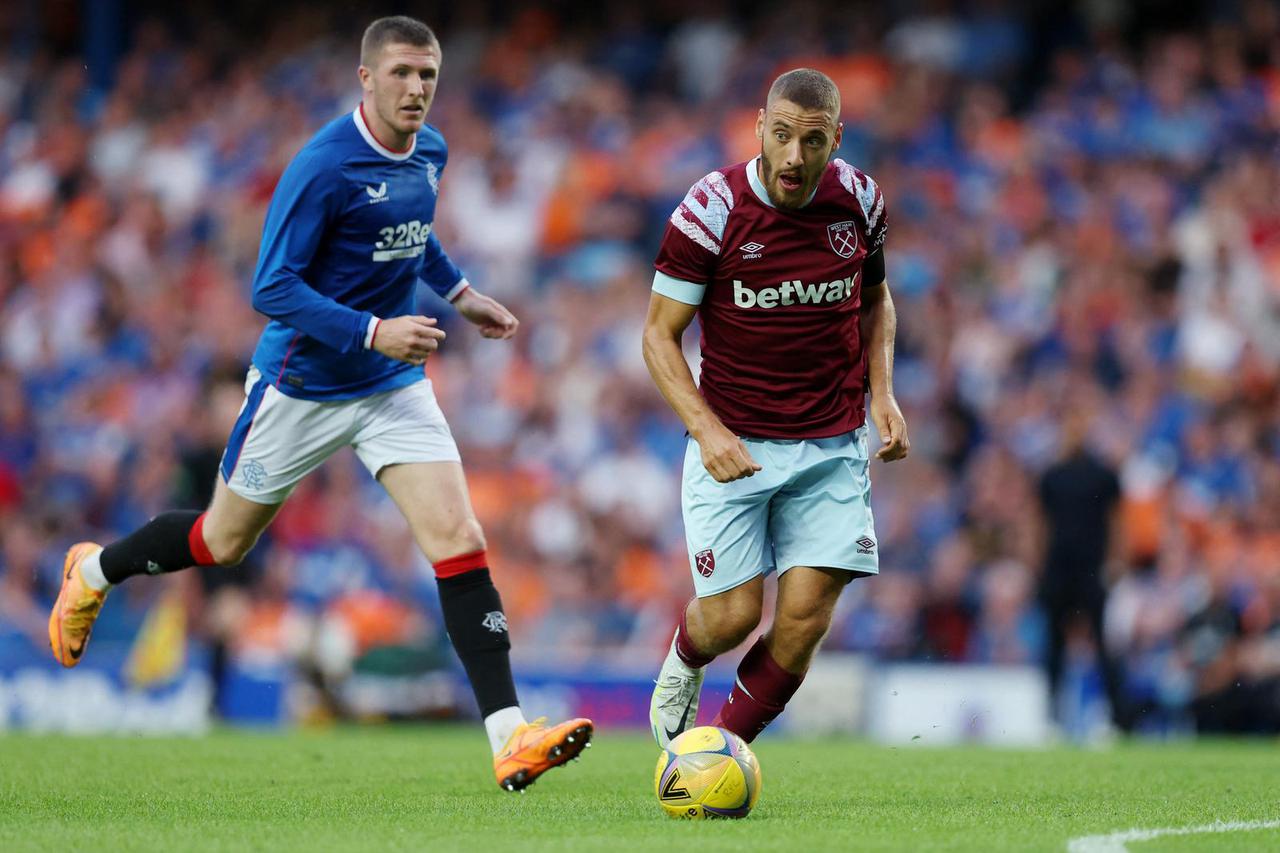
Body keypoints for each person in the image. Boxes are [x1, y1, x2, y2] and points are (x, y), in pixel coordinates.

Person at [48, 15, 591, 792]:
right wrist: (374, 330)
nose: (416, 90)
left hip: (390, 385)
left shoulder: (430, 151)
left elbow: (412, 234)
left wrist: (462, 294)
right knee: (222, 540)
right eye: (401, 74)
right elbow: (270, 286)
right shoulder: (324, 164)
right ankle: (94, 569)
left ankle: (510, 735)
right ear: (366, 78)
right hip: (303, 385)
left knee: (459, 534)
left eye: (428, 76)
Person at [643, 68, 909, 746]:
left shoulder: (861, 202)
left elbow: (875, 300)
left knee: (804, 615)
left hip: (832, 441)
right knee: (732, 617)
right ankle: (685, 658)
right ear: (759, 126)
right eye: (783, 135)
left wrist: (883, 393)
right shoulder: (710, 211)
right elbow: (657, 334)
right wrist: (705, 429)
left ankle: (720, 748)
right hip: (735, 440)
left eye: (813, 141)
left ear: (836, 138)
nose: (795, 156)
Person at [1038, 412, 1131, 731]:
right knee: (1054, 645)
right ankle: (1052, 717)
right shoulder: (1051, 475)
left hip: (1091, 568)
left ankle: (1113, 717)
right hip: (1059, 568)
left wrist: (1117, 560)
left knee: (1102, 643)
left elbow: (1117, 522)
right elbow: (1039, 525)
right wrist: (1037, 564)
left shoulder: (1103, 475)